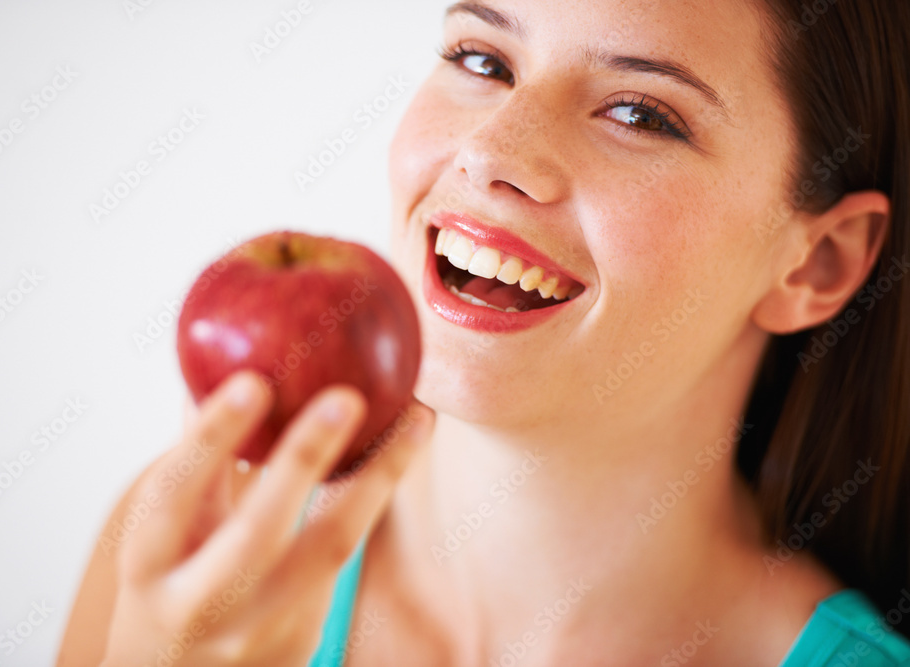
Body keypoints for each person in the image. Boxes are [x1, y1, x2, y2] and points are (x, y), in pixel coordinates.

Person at [57, 0, 910, 664]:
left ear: (818, 264)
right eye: (483, 59)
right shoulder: (194, 561)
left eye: (641, 114)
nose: (492, 149)